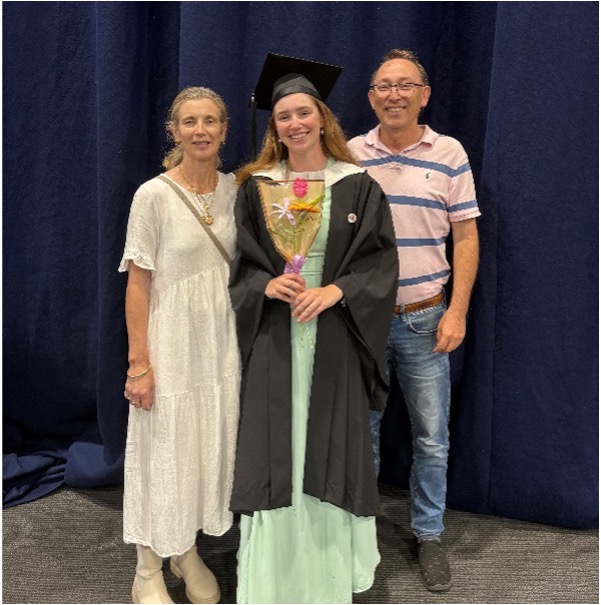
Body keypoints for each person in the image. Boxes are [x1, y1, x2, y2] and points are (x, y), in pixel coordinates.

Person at [228, 53, 398, 604]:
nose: (294, 123)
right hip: (276, 335)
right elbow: (242, 265)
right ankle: (274, 583)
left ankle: (325, 580)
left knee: (330, 441)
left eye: (303, 112)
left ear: (323, 118)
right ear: (274, 127)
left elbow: (379, 262)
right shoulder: (257, 187)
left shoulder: (357, 185)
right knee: (276, 443)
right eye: (283, 116)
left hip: (334, 331)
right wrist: (266, 285)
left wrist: (336, 290)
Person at [348, 49, 480, 592]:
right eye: (383, 86)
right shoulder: (352, 154)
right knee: (363, 436)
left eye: (405, 85)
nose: (394, 95)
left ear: (424, 95)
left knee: (431, 438)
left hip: (427, 319)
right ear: (371, 97)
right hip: (364, 322)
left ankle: (429, 535)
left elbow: (465, 236)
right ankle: (360, 540)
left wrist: (458, 310)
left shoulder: (449, 153)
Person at [119, 87, 240, 604]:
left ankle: (184, 549)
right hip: (169, 345)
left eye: (210, 120)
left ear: (224, 130)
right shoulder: (152, 195)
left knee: (201, 450)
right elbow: (137, 283)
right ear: (174, 131)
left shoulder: (236, 189)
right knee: (163, 450)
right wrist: (139, 364)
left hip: (219, 345)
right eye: (189, 121)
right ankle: (147, 569)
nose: (200, 130)